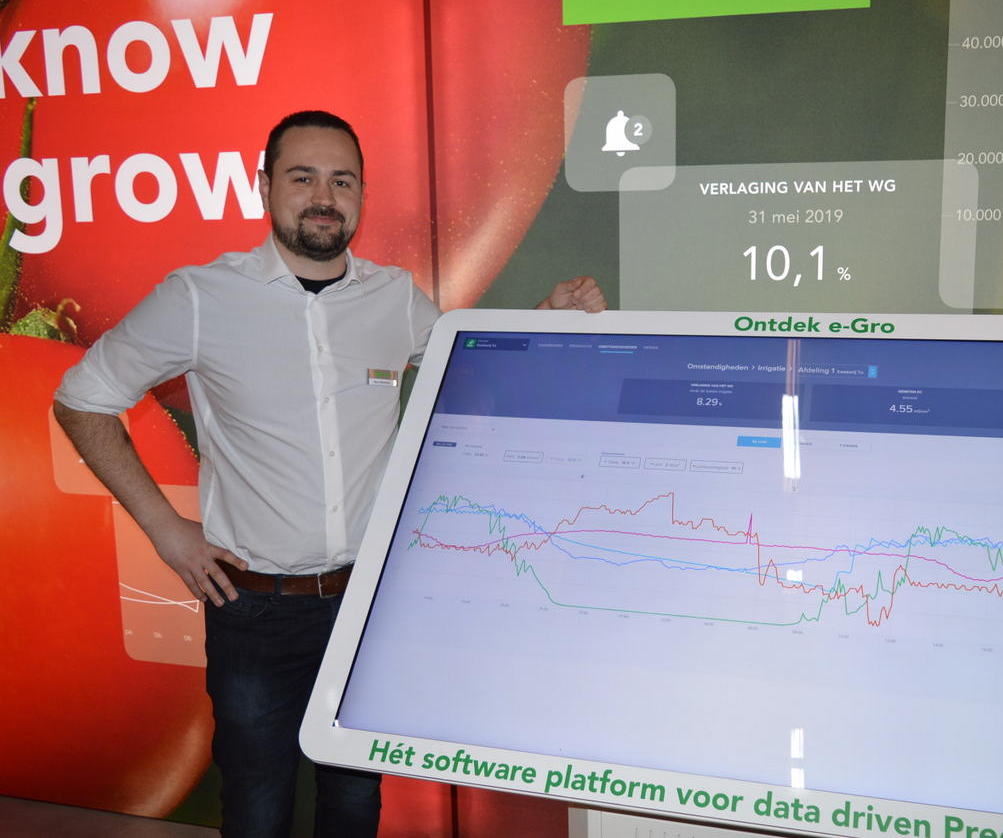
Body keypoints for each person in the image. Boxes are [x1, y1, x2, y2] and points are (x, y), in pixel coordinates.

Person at [52, 110, 605, 837]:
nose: (323, 196)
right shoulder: (199, 297)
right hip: (253, 609)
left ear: (362, 196)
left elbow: (470, 368)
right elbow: (82, 398)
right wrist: (165, 529)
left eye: (342, 181)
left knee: (352, 804)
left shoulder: (393, 297)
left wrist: (549, 316)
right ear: (264, 187)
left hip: (365, 605)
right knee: (257, 809)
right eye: (303, 177)